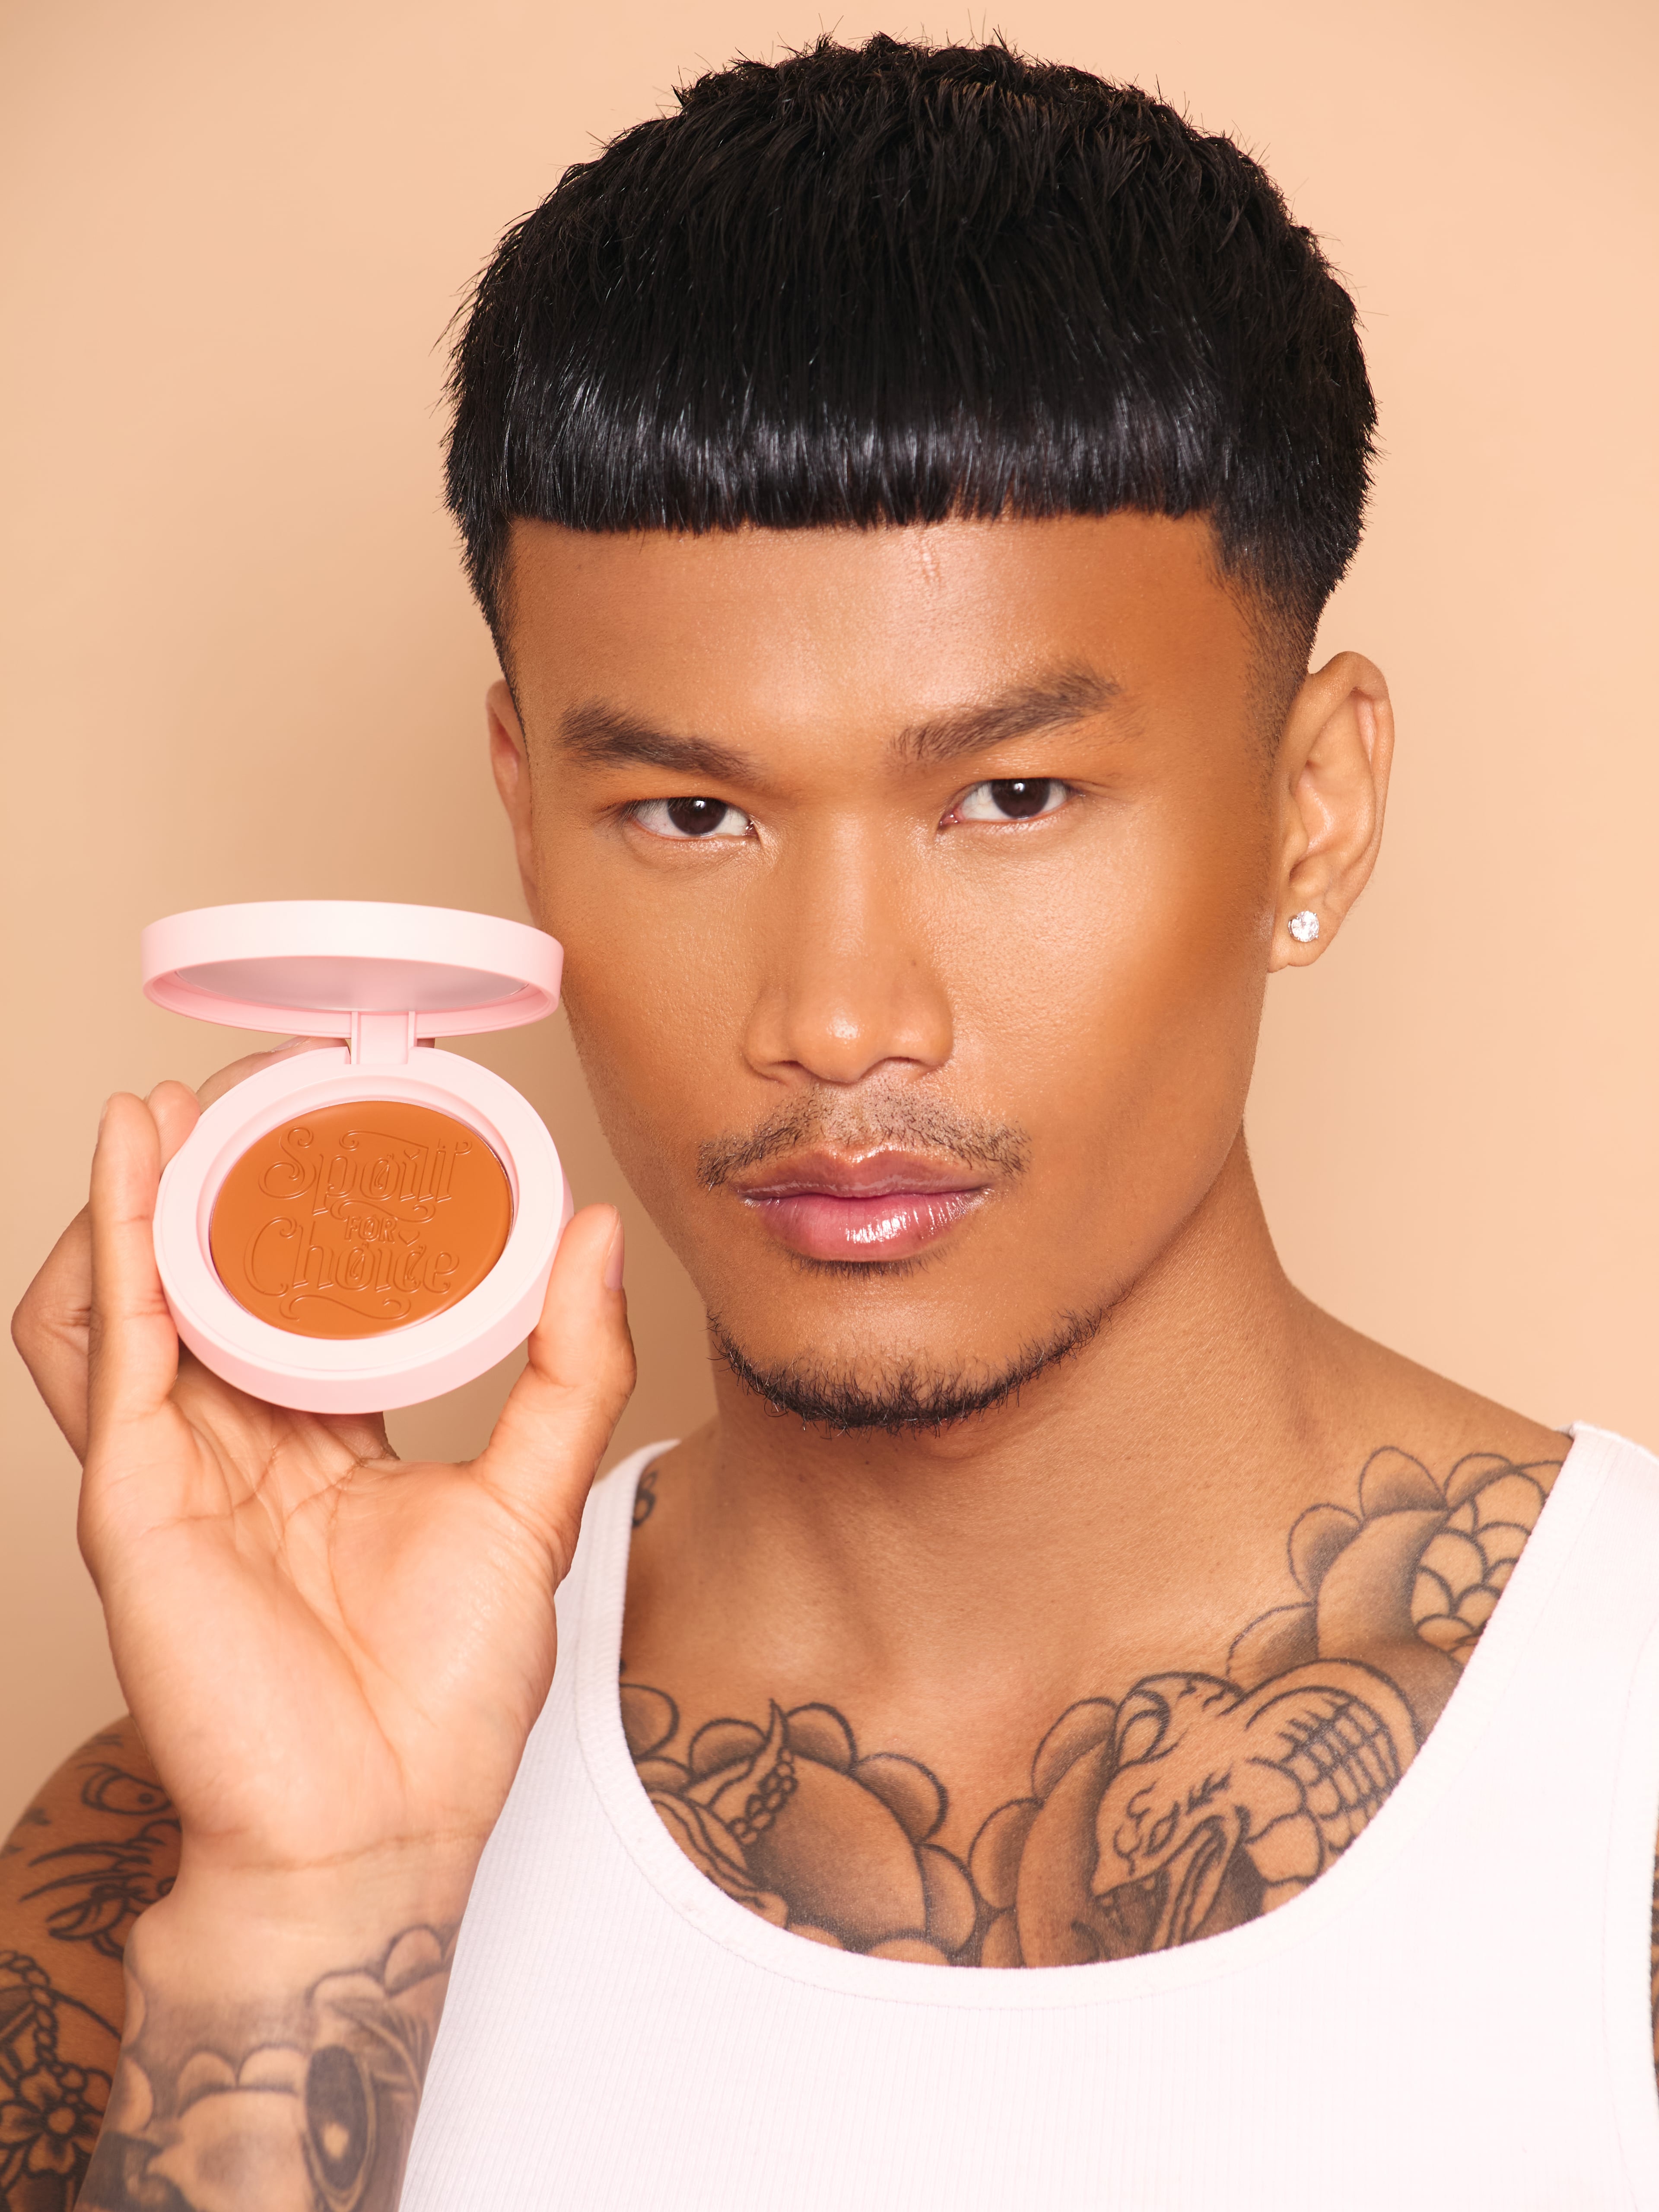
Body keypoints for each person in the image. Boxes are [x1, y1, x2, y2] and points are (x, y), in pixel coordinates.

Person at [7, 32, 1656, 2212]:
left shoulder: (1627, 1769)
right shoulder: (176, 1858)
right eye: (690, 812)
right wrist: (316, 1906)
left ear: (1314, 805)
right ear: (527, 814)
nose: (837, 1016)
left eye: (1012, 795)